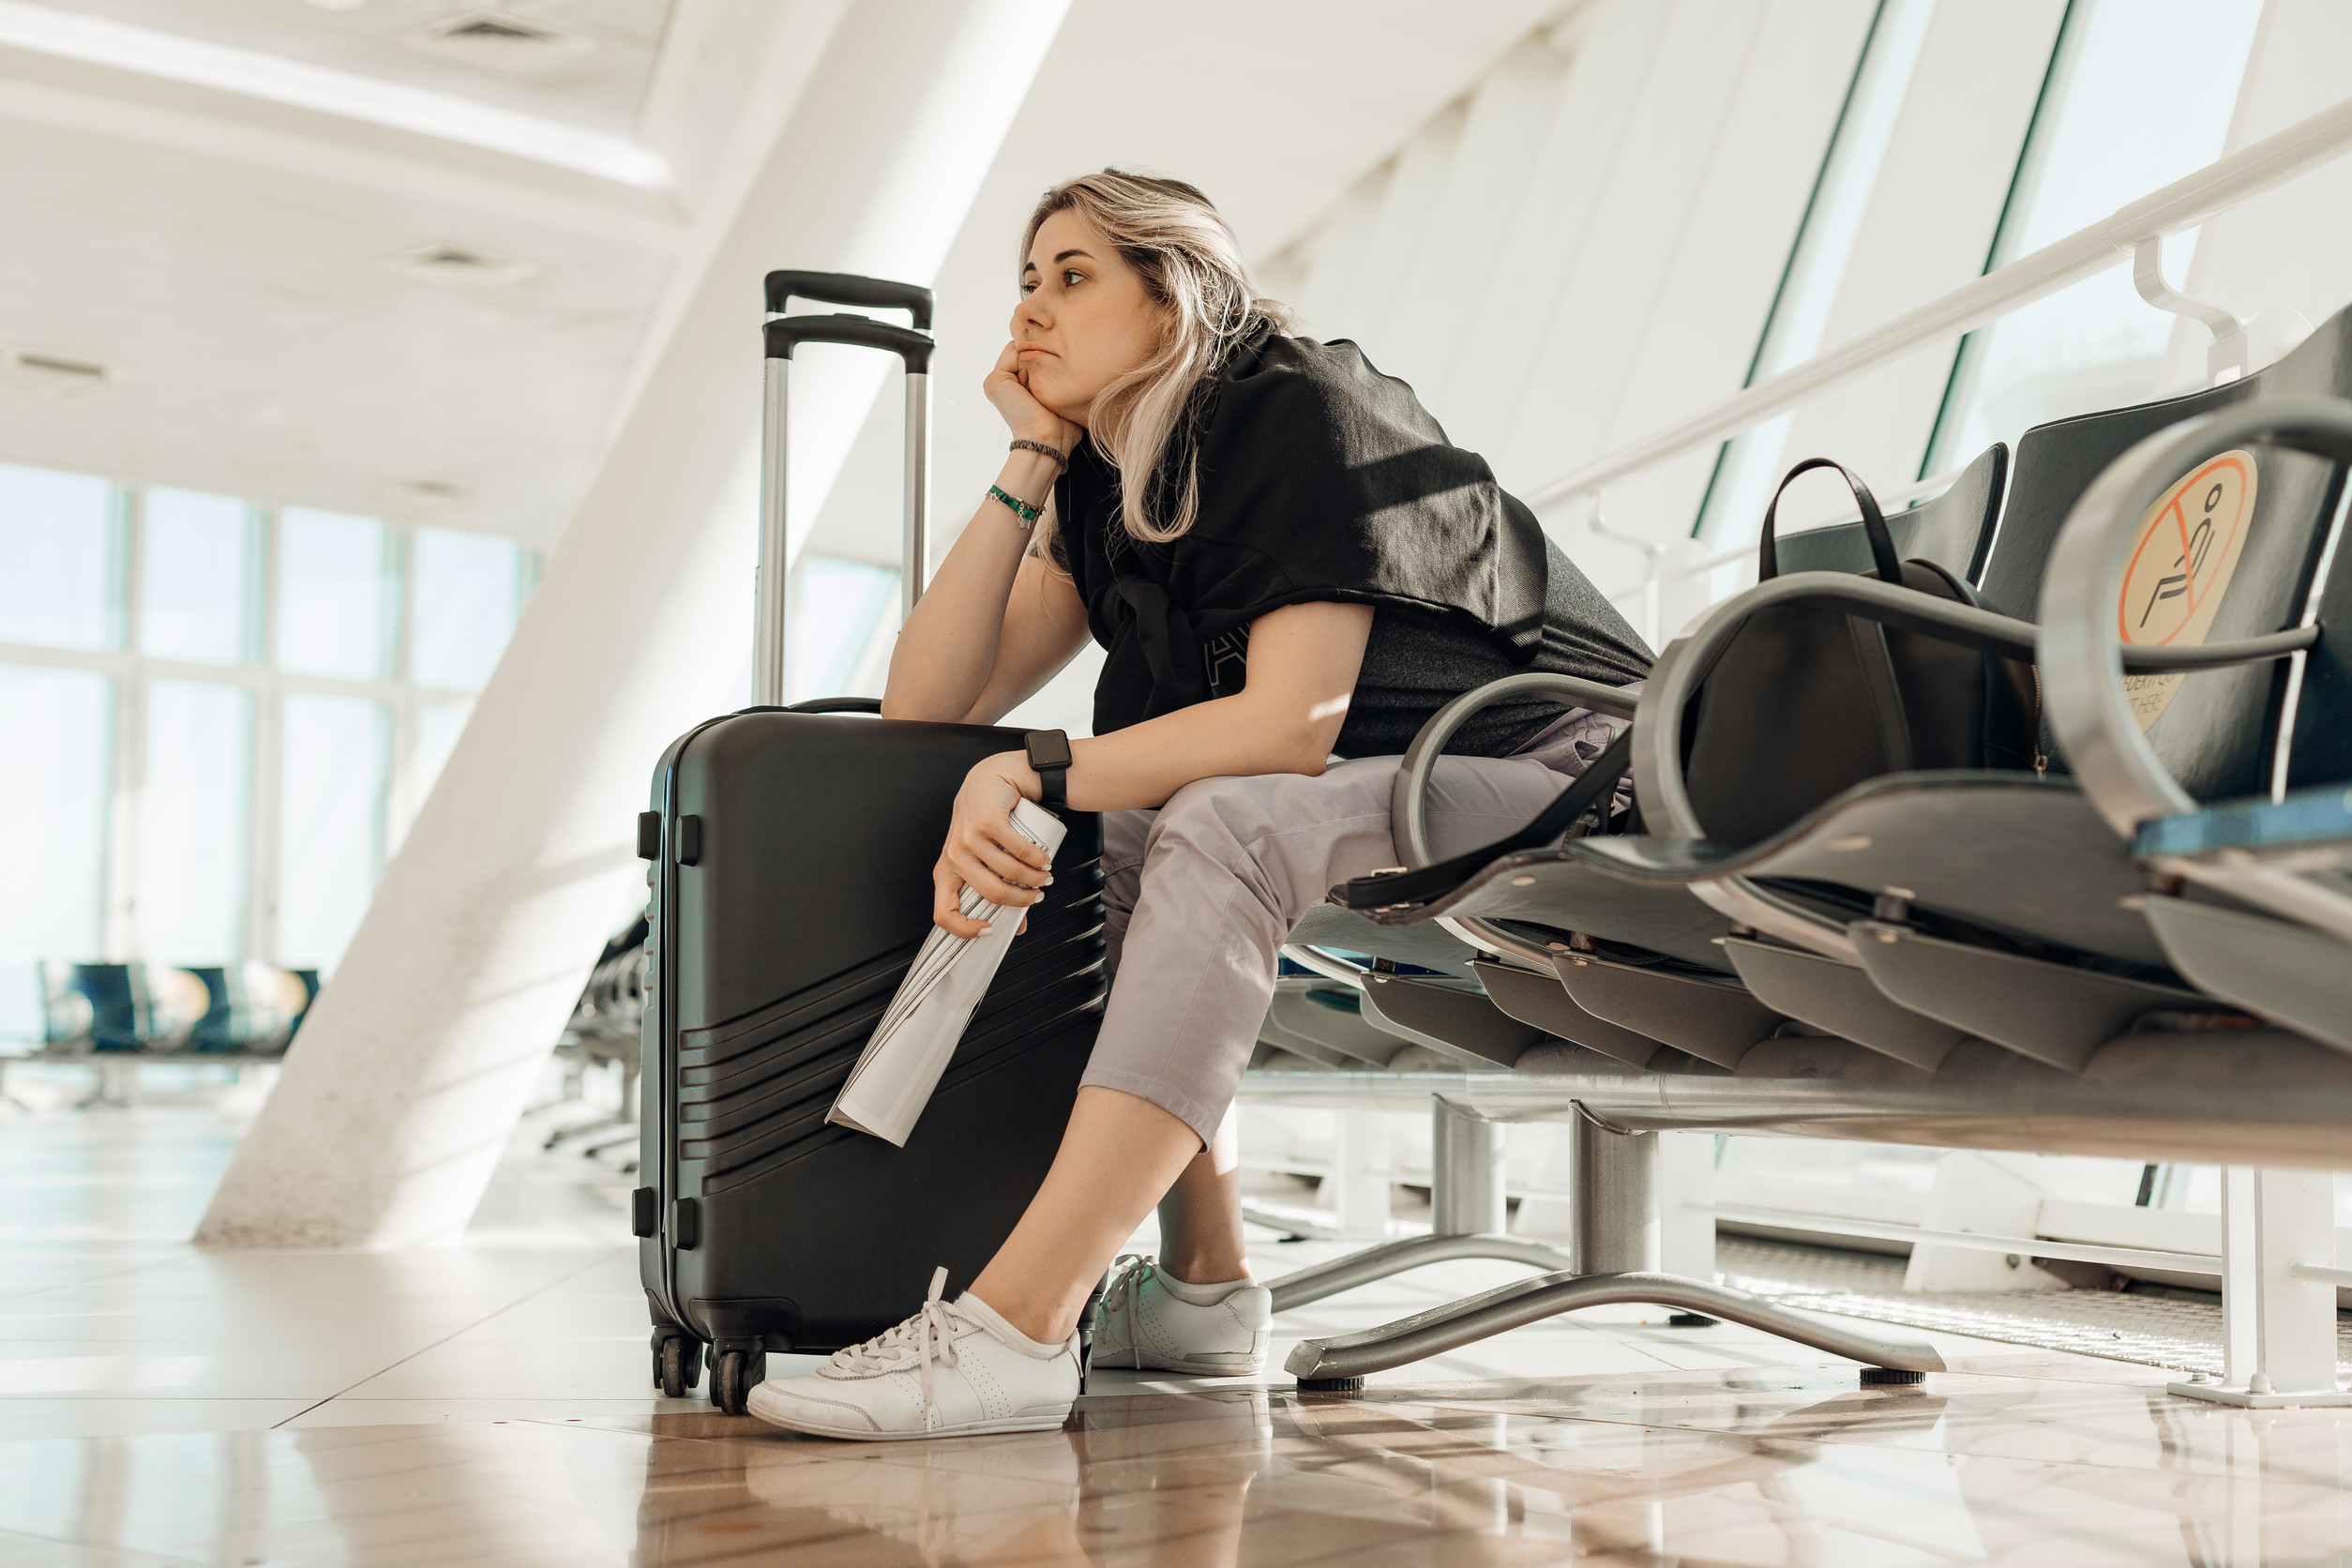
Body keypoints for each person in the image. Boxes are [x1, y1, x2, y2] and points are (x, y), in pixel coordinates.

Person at [747, 170, 1651, 1440]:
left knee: (1222, 819)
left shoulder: (1297, 409)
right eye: (1026, 281)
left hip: (1578, 771)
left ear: (1175, 301)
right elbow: (932, 704)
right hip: (1403, 785)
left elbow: (1294, 727)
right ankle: (1205, 1288)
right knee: (1116, 829)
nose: (1034, 312)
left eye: (1075, 277)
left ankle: (1018, 1326)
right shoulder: (1114, 477)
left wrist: (1026, 768)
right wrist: (1031, 453)